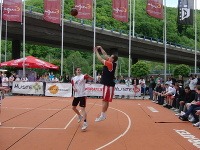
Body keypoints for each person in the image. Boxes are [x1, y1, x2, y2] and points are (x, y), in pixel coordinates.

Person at [94, 46, 118, 122]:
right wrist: (101, 48)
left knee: (104, 100)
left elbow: (100, 59)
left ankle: (102, 115)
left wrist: (96, 52)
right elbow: (105, 54)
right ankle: (103, 115)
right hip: (109, 84)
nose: (109, 57)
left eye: (110, 57)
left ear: (113, 59)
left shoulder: (109, 64)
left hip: (108, 85)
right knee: (106, 100)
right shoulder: (112, 63)